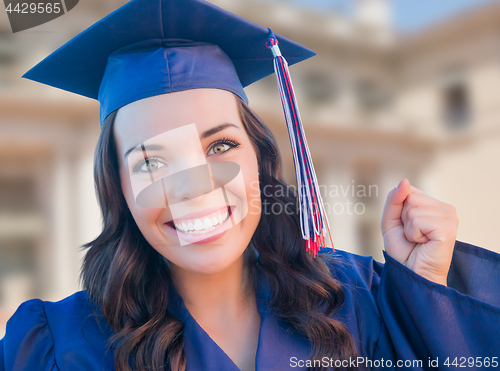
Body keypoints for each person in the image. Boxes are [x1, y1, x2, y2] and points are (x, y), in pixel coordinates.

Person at [1, 0, 500, 370]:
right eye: (152, 163)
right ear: (119, 192)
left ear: (261, 159)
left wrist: (424, 297)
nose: (194, 187)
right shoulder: (57, 346)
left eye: (220, 146)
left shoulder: (357, 300)